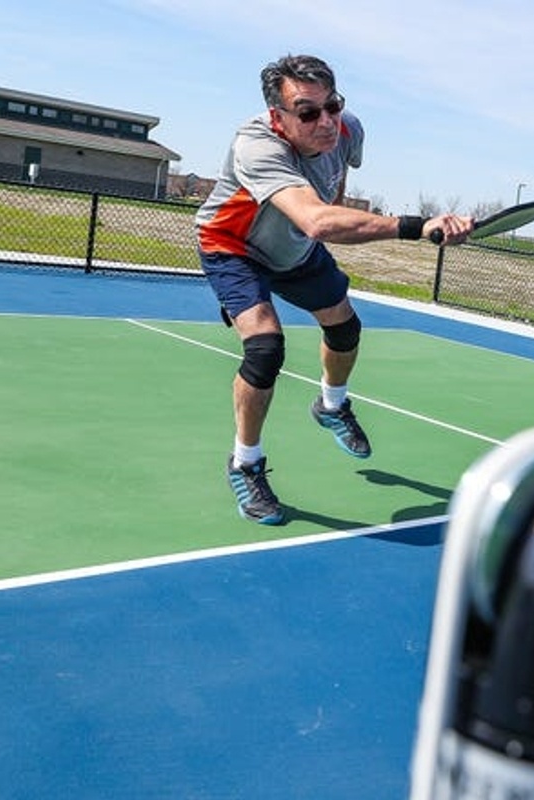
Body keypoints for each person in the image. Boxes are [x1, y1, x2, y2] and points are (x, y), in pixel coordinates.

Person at [196, 54, 472, 525]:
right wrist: (415, 226)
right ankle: (245, 463)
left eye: (333, 106)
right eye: (307, 112)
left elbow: (333, 188)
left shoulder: (348, 131)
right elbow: (316, 218)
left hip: (297, 249)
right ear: (278, 117)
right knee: (265, 348)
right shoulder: (256, 146)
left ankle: (331, 405)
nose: (325, 121)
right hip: (234, 247)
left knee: (345, 328)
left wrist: (336, 220)